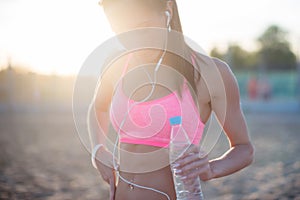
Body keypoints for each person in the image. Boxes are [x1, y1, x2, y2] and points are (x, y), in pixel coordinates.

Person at [91, 0, 254, 199]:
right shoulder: (116, 66)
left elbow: (244, 148)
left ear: (167, 9)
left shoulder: (210, 74)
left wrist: (212, 168)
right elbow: (98, 107)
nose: (134, 42)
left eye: (142, 28)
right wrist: (97, 149)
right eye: (121, 32)